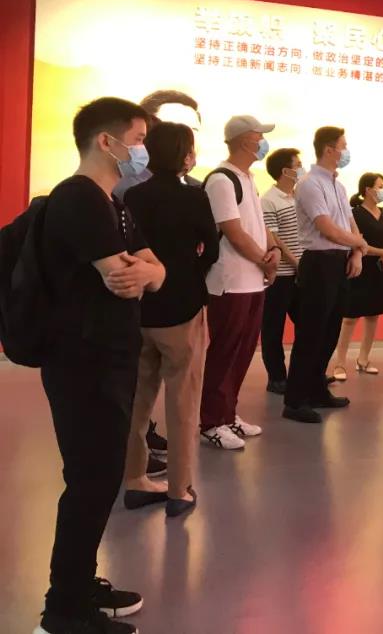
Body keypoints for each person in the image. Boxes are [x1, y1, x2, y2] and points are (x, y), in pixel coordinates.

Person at [35, 97, 166, 634]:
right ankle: (64, 611)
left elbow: (154, 270)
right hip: (82, 362)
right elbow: (121, 277)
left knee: (99, 476)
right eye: (137, 140)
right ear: (106, 142)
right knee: (90, 480)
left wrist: (150, 272)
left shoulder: (114, 203)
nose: (142, 151)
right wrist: (145, 273)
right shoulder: (78, 199)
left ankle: (79, 584)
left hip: (109, 359)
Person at [122, 122, 219, 518]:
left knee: (136, 401)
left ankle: (134, 480)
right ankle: (179, 489)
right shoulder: (194, 196)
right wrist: (189, 268)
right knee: (183, 402)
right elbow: (212, 250)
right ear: (184, 155)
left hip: (139, 308)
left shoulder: (133, 196)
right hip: (183, 308)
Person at [200, 115, 280, 449]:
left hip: (253, 280)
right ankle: (211, 422)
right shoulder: (222, 179)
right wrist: (264, 259)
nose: (263, 142)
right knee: (225, 351)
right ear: (246, 140)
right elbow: (233, 231)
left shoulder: (248, 178)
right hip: (230, 280)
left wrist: (272, 251)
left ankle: (228, 414)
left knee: (244, 351)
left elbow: (258, 225)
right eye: (259, 136)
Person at [283, 127, 369, 423]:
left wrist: (357, 251)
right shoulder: (310, 184)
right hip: (318, 262)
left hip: (339, 262)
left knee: (331, 330)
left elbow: (350, 223)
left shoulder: (338, 186)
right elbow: (326, 228)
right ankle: (295, 401)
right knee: (311, 332)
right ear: (329, 149)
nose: (346, 151)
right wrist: (359, 244)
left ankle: (317, 390)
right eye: (344, 146)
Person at [331, 173, 383, 380]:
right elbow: (359, 243)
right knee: (350, 318)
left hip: (379, 270)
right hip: (359, 268)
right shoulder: (356, 214)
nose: (382, 190)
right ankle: (340, 363)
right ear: (368, 190)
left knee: (372, 316)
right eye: (379, 186)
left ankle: (364, 359)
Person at [260, 148, 304, 395]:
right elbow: (274, 238)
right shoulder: (269, 200)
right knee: (273, 328)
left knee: (308, 325)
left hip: (303, 274)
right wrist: (296, 262)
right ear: (285, 171)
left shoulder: (301, 197)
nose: (301, 168)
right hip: (281, 276)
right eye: (298, 165)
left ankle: (304, 374)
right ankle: (276, 378)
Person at [114, 90, 203, 200]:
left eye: (193, 130)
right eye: (172, 131)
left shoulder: (202, 190)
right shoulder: (125, 189)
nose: (186, 141)